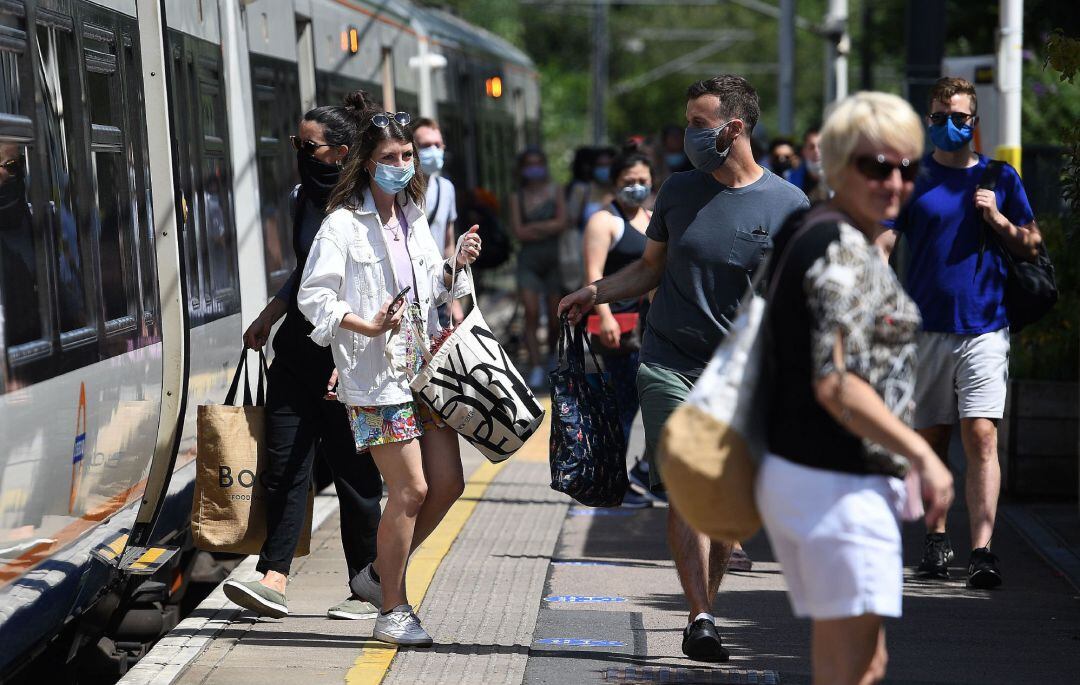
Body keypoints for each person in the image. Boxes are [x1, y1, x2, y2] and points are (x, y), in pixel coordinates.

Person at [560, 75, 809, 662]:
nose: (689, 136)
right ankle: (699, 615)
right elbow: (651, 267)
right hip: (669, 359)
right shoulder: (677, 191)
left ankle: (707, 608)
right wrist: (596, 292)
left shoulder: (789, 206)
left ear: (734, 128)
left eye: (700, 124)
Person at [757, 90, 955, 685]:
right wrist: (923, 454)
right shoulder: (841, 249)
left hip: (807, 474)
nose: (894, 182)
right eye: (876, 166)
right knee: (861, 668)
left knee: (848, 664)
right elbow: (836, 382)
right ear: (839, 165)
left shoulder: (810, 225)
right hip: (838, 483)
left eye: (907, 169)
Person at [298, 101, 482, 646]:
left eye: (406, 155)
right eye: (389, 157)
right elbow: (315, 296)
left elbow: (433, 291)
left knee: (448, 484)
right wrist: (367, 325)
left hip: (423, 369)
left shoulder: (412, 215)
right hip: (375, 376)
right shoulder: (341, 223)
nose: (401, 165)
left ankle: (378, 573)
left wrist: (456, 264)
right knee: (411, 488)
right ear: (365, 162)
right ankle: (392, 609)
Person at [880, 77, 1042, 589]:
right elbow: (884, 242)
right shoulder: (914, 177)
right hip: (926, 328)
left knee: (982, 436)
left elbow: (1031, 245)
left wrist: (996, 217)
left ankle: (982, 550)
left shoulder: (1000, 176)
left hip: (986, 326)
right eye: (939, 116)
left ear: (974, 122)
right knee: (931, 438)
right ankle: (935, 538)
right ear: (927, 119)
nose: (948, 125)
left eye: (958, 117)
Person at [227, 93, 383, 622]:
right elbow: (305, 273)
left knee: (355, 477)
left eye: (305, 144)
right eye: (297, 142)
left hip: (348, 358)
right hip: (296, 353)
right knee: (285, 465)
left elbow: (377, 285)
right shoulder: (302, 198)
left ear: (340, 152)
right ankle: (273, 576)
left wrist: (353, 352)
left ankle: (366, 584)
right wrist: (269, 315)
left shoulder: (368, 208)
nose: (297, 151)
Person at [580, 146, 654, 510]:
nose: (637, 186)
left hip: (649, 326)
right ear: (615, 183)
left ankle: (637, 475)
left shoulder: (653, 219)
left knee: (645, 404)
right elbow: (593, 274)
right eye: (629, 180)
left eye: (643, 180)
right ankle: (613, 482)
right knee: (621, 407)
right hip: (618, 328)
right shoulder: (603, 221)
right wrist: (605, 316)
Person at [510, 148, 568, 389]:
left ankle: (551, 355)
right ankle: (535, 365)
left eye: (538, 163)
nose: (534, 168)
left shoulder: (556, 190)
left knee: (555, 318)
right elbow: (519, 231)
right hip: (528, 262)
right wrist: (547, 227)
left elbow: (562, 223)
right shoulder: (517, 196)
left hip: (554, 260)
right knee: (531, 313)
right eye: (529, 164)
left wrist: (535, 228)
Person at [411, 117, 460, 325]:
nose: (433, 150)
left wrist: (454, 298)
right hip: (410, 290)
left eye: (437, 145)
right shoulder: (400, 191)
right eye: (425, 145)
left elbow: (449, 245)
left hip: (437, 287)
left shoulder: (446, 188)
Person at [787, 125, 828, 202]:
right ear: (804, 151)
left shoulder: (842, 180)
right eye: (811, 147)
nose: (816, 151)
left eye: (821, 146)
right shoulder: (789, 181)